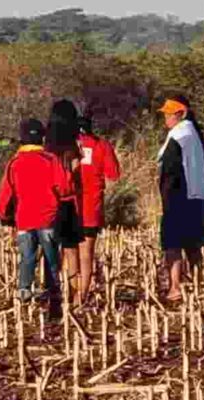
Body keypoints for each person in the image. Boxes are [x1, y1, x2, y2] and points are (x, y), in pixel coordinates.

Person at [0, 119, 69, 318]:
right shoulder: (51, 159)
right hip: (48, 218)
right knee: (52, 260)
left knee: (27, 259)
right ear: (42, 137)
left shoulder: (15, 163)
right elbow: (64, 188)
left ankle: (23, 299)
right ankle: (54, 300)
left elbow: (6, 194)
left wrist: (4, 216)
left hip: (24, 220)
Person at [157, 95, 204, 301]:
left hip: (178, 197)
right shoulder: (194, 134)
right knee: (193, 244)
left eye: (170, 113)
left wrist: (166, 199)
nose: (166, 117)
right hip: (196, 196)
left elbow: (170, 172)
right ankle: (200, 285)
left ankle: (175, 287)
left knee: (173, 244)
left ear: (181, 113)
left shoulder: (179, 136)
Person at [77, 115, 121, 302]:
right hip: (91, 208)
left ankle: (68, 293)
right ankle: (82, 295)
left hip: (68, 205)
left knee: (67, 253)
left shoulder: (63, 146)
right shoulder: (101, 145)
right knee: (86, 253)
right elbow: (114, 174)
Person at [45, 100, 83, 304]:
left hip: (49, 200)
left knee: (51, 249)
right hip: (68, 201)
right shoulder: (74, 143)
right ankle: (75, 294)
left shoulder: (46, 143)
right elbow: (77, 169)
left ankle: (53, 292)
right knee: (71, 249)